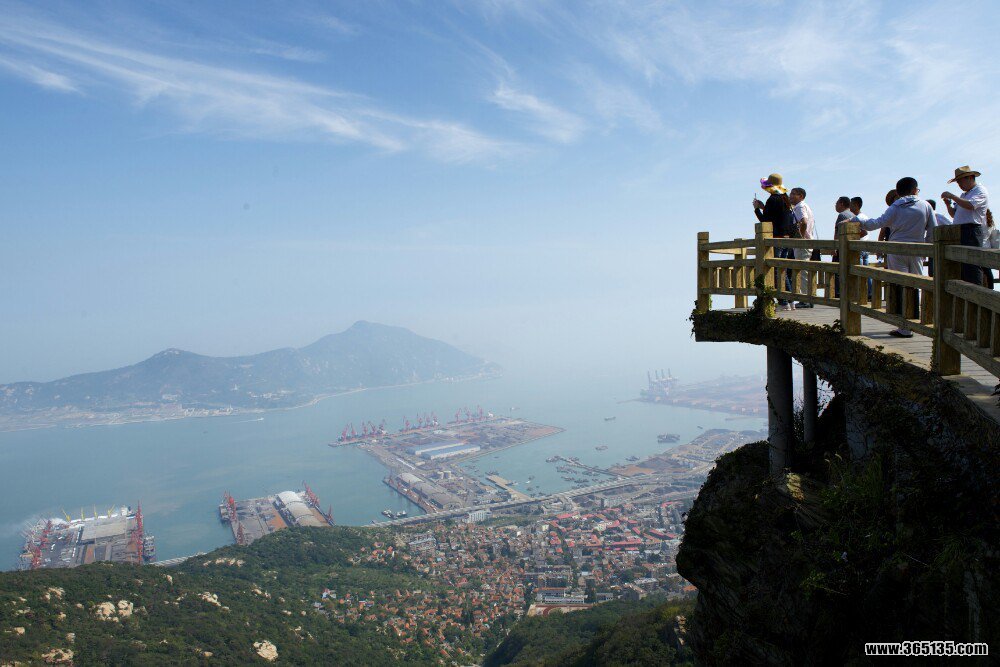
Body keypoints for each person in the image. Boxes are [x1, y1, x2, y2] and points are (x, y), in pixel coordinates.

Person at [856, 177, 935, 338]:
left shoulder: (895, 207)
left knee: (900, 286)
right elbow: (933, 230)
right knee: (916, 285)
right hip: (917, 250)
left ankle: (904, 327)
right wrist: (927, 248)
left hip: (896, 250)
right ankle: (917, 322)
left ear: (898, 192)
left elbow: (875, 224)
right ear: (915, 190)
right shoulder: (925, 205)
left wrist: (858, 219)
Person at [753, 173, 799, 309]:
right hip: (786, 238)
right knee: (782, 269)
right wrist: (763, 207)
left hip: (776, 238)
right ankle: (790, 302)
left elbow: (765, 221)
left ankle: (783, 302)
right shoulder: (785, 199)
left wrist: (756, 209)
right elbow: (779, 216)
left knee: (775, 270)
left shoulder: (772, 200)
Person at [941, 166, 990, 285]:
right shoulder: (964, 195)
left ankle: (975, 293)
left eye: (960, 181)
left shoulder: (980, 190)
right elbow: (954, 214)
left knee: (972, 265)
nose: (959, 184)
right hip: (962, 231)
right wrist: (948, 204)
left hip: (971, 230)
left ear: (970, 178)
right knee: (962, 266)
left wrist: (952, 196)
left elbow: (971, 205)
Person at [789, 187, 815, 308]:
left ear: (801, 196)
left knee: (803, 271)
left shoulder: (799, 207)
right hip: (808, 242)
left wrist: (800, 237)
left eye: (794, 194)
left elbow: (803, 222)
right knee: (805, 270)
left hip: (803, 243)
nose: (790, 195)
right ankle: (808, 298)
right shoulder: (805, 206)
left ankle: (805, 300)